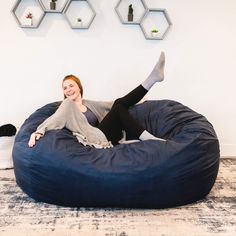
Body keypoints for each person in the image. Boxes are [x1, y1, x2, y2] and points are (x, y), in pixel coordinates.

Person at [28, 52, 166, 148]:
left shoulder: (89, 104)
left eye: (71, 86)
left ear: (79, 87)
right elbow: (55, 119)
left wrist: (137, 100)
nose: (68, 90)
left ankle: (153, 79)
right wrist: (38, 131)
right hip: (95, 139)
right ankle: (148, 137)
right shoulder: (67, 106)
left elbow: (111, 105)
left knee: (118, 104)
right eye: (65, 88)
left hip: (108, 135)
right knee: (118, 105)